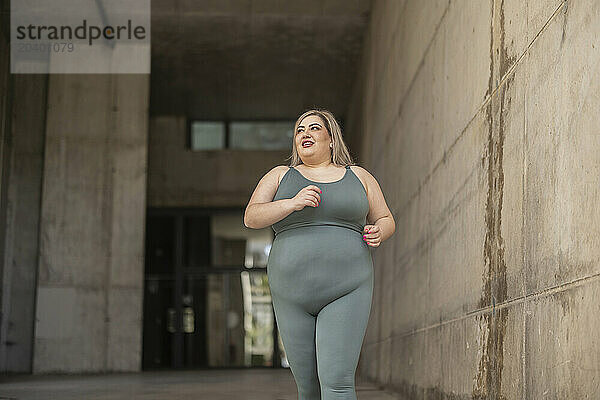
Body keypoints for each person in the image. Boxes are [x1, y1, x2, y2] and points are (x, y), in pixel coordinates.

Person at [244, 108, 395, 399]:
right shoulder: (280, 176)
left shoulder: (359, 176)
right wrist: (291, 203)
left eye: (314, 128)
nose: (305, 134)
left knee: (337, 382)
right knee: (308, 388)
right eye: (300, 130)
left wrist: (380, 231)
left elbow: (386, 218)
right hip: (291, 293)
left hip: (347, 288)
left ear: (331, 140)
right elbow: (251, 217)